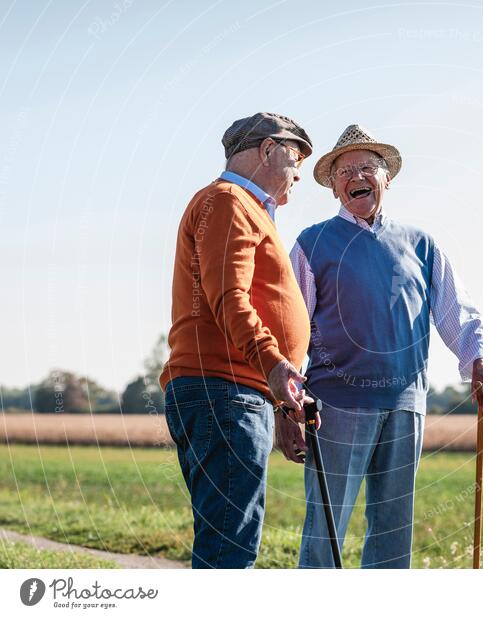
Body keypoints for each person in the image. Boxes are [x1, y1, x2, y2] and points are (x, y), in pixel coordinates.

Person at [282, 124, 483, 568]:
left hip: (407, 405)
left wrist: (479, 356)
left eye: (366, 166)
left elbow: (455, 310)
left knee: (392, 533)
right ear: (333, 189)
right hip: (335, 406)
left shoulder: (421, 244)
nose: (355, 176)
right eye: (344, 170)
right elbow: (290, 328)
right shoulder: (312, 243)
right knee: (325, 532)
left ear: (387, 178)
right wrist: (285, 405)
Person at [159, 112, 317, 568]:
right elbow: (229, 296)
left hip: (234, 392)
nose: (299, 175)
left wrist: (283, 403)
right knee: (229, 552)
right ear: (268, 150)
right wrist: (272, 362)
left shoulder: (240, 206)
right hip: (224, 393)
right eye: (295, 160)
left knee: (227, 541)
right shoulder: (230, 200)